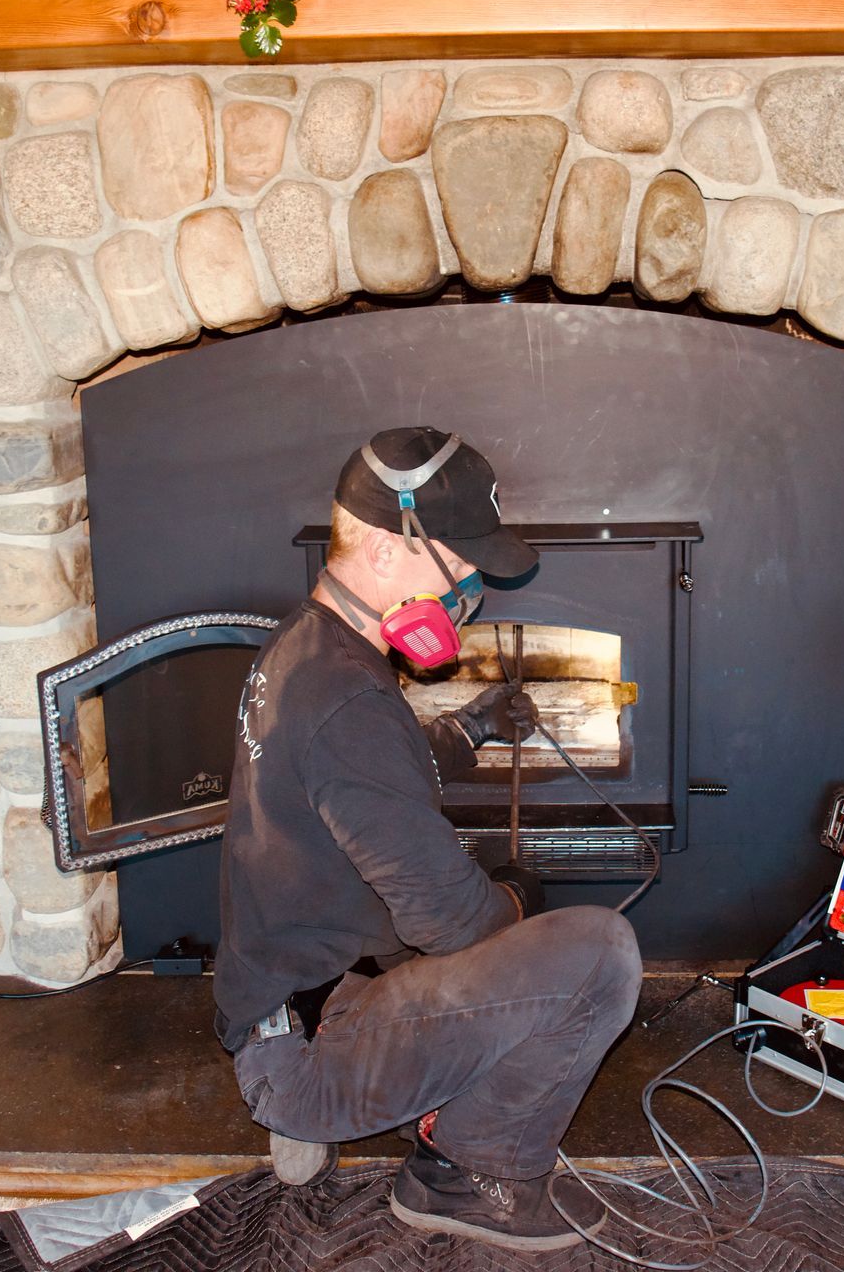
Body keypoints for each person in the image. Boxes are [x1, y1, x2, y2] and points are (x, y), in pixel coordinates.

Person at [213, 427, 643, 1252]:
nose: (472, 587)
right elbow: (450, 923)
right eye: (461, 562)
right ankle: (467, 1169)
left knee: (490, 896)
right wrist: (520, 900)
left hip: (289, 1005)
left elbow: (379, 774)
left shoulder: (310, 652)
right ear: (383, 548)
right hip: (311, 1047)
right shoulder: (350, 700)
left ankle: (342, 1100)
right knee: (598, 954)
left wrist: (474, 726)